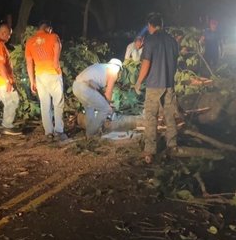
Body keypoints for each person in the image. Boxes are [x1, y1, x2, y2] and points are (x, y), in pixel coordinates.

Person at [134, 13, 180, 163]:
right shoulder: (173, 41)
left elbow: (146, 64)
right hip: (168, 84)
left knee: (151, 117)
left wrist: (139, 81)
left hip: (154, 85)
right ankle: (172, 145)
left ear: (150, 26)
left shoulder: (151, 40)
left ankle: (150, 150)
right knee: (169, 115)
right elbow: (174, 64)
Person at [25, 21, 67, 141]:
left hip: (40, 76)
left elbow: (29, 63)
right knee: (58, 103)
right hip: (53, 73)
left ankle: (48, 132)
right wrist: (55, 62)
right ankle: (59, 131)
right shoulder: (53, 36)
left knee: (45, 105)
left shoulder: (30, 41)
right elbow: (58, 46)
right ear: (49, 28)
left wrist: (32, 80)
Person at [73, 58, 123, 137]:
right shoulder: (114, 71)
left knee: (90, 108)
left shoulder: (101, 67)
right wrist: (108, 106)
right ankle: (92, 133)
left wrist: (104, 100)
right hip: (85, 88)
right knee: (105, 109)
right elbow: (108, 92)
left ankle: (89, 132)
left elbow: (96, 88)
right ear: (120, 68)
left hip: (76, 86)